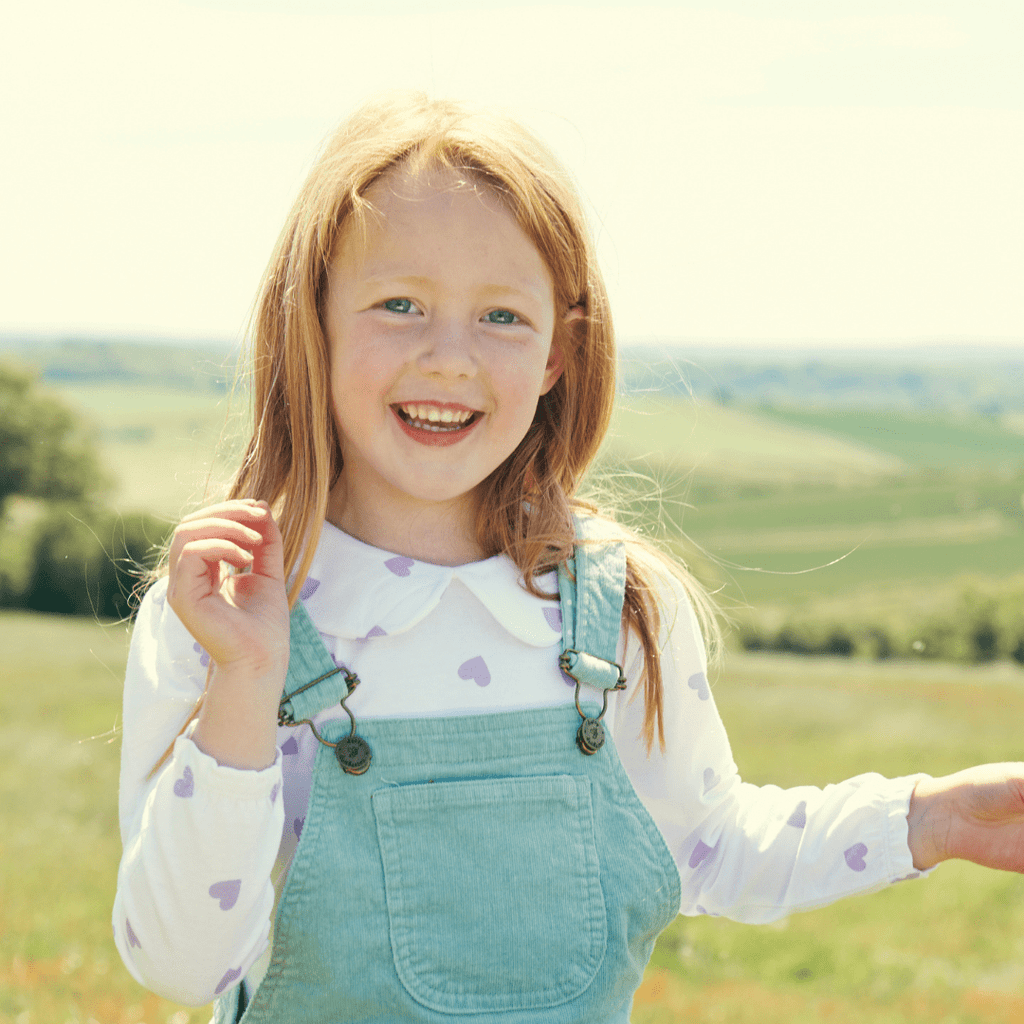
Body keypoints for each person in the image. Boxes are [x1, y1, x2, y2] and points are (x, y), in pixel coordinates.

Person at [113, 94, 1024, 1023]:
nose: (450, 357)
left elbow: (712, 846)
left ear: (559, 352)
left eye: (502, 317)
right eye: (399, 305)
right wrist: (247, 678)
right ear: (314, 321)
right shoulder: (228, 615)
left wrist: (926, 819)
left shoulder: (619, 606)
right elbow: (182, 966)